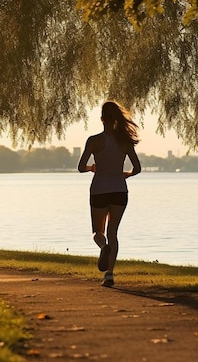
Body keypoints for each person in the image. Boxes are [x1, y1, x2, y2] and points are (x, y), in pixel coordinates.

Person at [77, 101, 141, 287]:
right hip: (119, 190)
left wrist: (92, 167)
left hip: (99, 190)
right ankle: (110, 275)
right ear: (117, 119)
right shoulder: (125, 142)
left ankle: (103, 248)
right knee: (113, 232)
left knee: (98, 232)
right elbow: (137, 168)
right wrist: (124, 175)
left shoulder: (94, 140)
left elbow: (81, 167)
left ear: (101, 119)